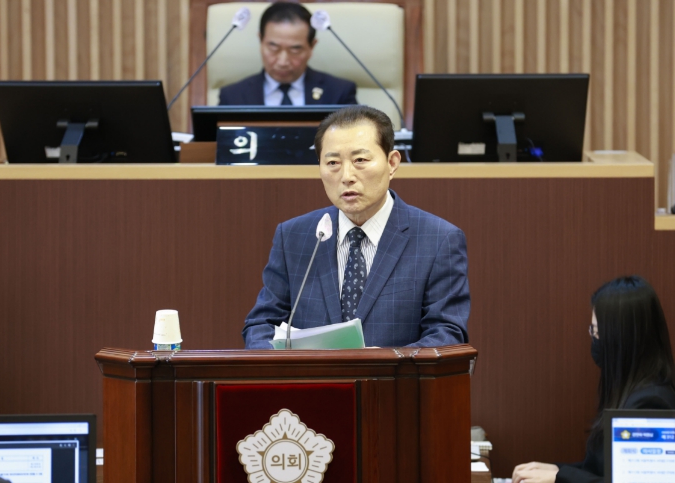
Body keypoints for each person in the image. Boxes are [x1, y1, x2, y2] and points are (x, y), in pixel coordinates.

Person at [243, 105, 470, 348]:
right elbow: (261, 325)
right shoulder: (294, 236)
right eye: (332, 162)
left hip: (393, 374)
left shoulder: (438, 239)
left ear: (392, 163)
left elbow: (447, 334)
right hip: (311, 374)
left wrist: (379, 364)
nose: (346, 176)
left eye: (360, 160)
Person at [512, 275, 675, 483]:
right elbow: (603, 471)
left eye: (596, 332)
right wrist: (557, 469)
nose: (593, 339)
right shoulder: (630, 391)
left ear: (620, 338)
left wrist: (559, 476)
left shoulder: (651, 403)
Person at [219, 2, 357, 106]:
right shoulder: (232, 97)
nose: (283, 61)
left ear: (312, 47)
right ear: (261, 41)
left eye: (295, 49)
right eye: (273, 47)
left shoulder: (339, 94)